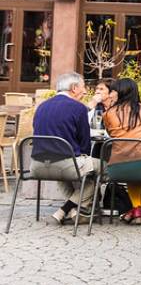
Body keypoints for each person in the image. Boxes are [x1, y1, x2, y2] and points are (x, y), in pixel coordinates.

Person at [30, 72, 97, 225]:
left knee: (64, 173)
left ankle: (74, 212)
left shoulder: (42, 106)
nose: (85, 91)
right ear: (74, 88)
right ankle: (65, 210)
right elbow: (85, 142)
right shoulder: (78, 107)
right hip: (66, 163)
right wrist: (84, 158)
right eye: (83, 87)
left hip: (37, 165)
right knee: (101, 170)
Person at [103, 78, 141, 225]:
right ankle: (137, 208)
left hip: (117, 168)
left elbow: (112, 135)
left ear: (121, 93)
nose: (110, 94)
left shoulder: (108, 114)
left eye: (113, 91)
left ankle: (135, 210)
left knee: (133, 175)